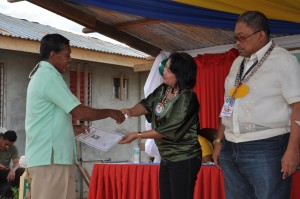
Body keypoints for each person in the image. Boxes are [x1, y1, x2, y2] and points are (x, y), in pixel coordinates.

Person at [25, 33, 125, 199]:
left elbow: (47, 118)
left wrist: (69, 129)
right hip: (50, 159)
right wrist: (110, 112)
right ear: (52, 55)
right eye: (67, 55)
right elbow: (78, 111)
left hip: (53, 159)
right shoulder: (48, 76)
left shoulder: (47, 75)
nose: (70, 59)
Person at [213, 11, 300, 199]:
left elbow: (298, 108)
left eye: (242, 37)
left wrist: (293, 150)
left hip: (267, 146)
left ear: (261, 35)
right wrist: (219, 141)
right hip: (231, 144)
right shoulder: (237, 63)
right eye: (235, 37)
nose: (237, 42)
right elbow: (229, 102)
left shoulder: (283, 61)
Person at [118, 52, 201, 199]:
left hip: (184, 158)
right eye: (165, 68)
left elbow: (167, 130)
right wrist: (130, 111)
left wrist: (136, 135)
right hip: (166, 157)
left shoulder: (187, 98)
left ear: (180, 74)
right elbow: (146, 105)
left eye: (169, 70)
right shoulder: (164, 89)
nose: (164, 71)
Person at [0, 130, 25, 199]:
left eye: (10, 145)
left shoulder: (13, 148)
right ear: (1, 138)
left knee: (21, 172)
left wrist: (13, 170)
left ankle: (7, 196)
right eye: (6, 144)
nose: (8, 147)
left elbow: (17, 163)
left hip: (4, 172)